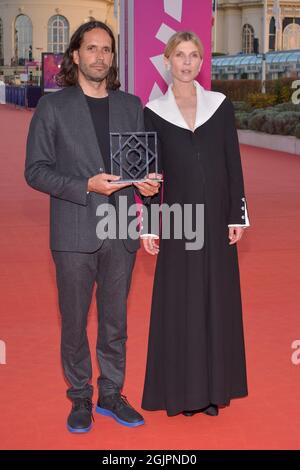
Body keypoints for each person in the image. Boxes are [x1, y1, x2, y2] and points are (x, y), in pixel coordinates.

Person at [25, 21, 160, 433]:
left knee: (115, 319)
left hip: (121, 227)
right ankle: (80, 395)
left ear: (112, 58)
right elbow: (35, 171)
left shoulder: (131, 105)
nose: (100, 56)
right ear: (76, 56)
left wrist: (149, 185)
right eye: (92, 48)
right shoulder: (53, 107)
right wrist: (85, 185)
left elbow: (141, 165)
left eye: (107, 50)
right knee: (74, 318)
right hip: (73, 230)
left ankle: (112, 392)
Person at [139, 31, 250, 417]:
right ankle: (185, 393)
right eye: (180, 55)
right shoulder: (153, 111)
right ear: (167, 61)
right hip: (179, 223)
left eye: (194, 56)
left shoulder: (220, 106)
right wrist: (149, 226)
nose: (187, 62)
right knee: (183, 303)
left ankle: (212, 392)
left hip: (217, 218)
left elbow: (232, 163)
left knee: (214, 301)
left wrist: (237, 216)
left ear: (202, 63)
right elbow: (149, 176)